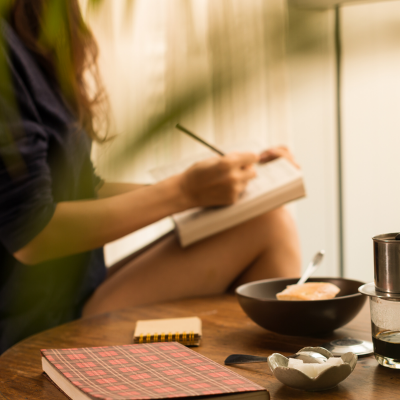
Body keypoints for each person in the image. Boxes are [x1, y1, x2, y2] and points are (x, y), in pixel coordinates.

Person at [0, 0, 301, 354]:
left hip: (74, 292)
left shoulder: (38, 28)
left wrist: (214, 186)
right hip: (31, 323)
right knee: (269, 228)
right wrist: (184, 192)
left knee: (262, 218)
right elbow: (33, 234)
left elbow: (80, 190)